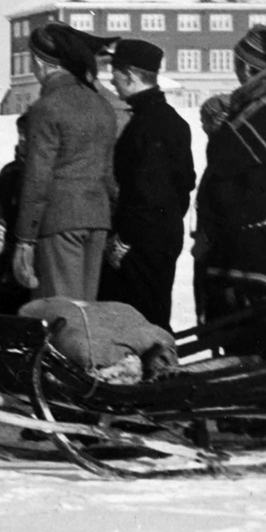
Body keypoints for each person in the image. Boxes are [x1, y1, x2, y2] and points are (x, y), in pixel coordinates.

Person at [12, 23, 118, 302]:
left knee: (63, 315)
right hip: (98, 219)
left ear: (39, 62)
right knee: (86, 312)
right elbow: (109, 175)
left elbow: (38, 178)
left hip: (60, 221)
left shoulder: (46, 107)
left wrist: (25, 239)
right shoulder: (102, 105)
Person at [97, 39, 195, 331]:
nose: (112, 81)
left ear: (129, 75)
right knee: (156, 315)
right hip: (164, 236)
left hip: (139, 242)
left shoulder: (143, 126)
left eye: (114, 73)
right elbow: (184, 182)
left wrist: (124, 240)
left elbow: (144, 192)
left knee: (137, 323)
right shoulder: (174, 121)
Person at [193, 26, 266, 356]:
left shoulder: (258, 108)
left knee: (246, 334)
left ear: (250, 68)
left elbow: (225, 157)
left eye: (239, 65)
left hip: (249, 244)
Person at [0, 113, 30, 315]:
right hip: (6, 258)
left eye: (29, 134)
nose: (24, 139)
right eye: (21, 134)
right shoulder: (9, 173)